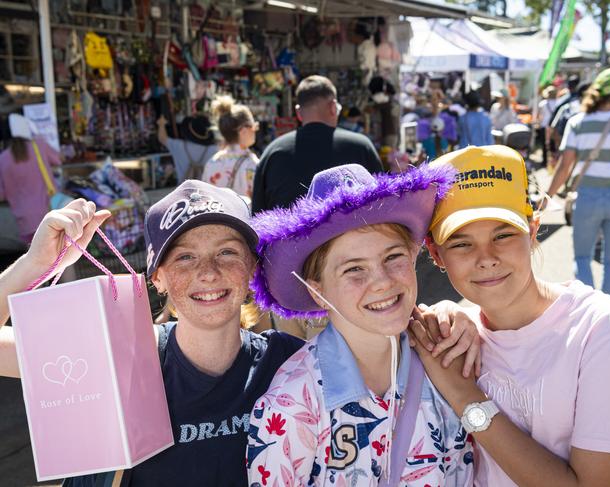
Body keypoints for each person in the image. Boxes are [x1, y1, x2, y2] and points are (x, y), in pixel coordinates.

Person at [0, 182, 476, 486]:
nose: (208, 272)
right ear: (157, 277)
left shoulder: (289, 366)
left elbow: (367, 323)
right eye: (184, 257)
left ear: (252, 269)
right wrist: (30, 267)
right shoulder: (118, 360)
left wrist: (441, 316)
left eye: (228, 252)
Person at [412, 144, 610, 486]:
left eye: (503, 235)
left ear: (533, 230)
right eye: (462, 243)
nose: (486, 257)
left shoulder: (603, 330)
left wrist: (465, 396)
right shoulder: (452, 336)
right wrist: (447, 312)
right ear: (436, 254)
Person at [247, 163, 474, 486]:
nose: (382, 282)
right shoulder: (291, 405)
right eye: (354, 269)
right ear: (318, 290)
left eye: (393, 257)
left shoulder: (447, 358)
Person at [546, 68, 610, 297]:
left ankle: (587, 310)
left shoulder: (577, 123)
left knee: (582, 257)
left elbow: (565, 167)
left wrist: (547, 197)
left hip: (588, 197)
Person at [251, 75, 383, 214]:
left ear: (298, 112)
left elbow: (258, 217)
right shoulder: (361, 147)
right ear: (333, 107)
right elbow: (382, 203)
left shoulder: (272, 152)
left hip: (288, 236)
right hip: (350, 235)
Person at [0, 113, 61, 244]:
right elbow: (58, 159)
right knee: (59, 256)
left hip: (24, 221)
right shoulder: (39, 146)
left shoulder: (2, 159)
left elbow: (2, 195)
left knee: (38, 258)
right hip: (48, 212)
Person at [201, 95, 259, 199]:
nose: (255, 130)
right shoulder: (251, 163)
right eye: (254, 126)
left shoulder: (212, 162)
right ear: (243, 131)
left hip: (218, 215)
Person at [157, 113, 219, 182]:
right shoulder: (214, 149)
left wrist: (161, 124)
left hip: (184, 190)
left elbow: (162, 138)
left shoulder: (179, 146)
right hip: (206, 190)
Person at [538, 85, 558, 167]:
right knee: (553, 145)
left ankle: (544, 161)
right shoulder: (559, 103)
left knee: (544, 145)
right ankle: (553, 162)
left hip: (544, 126)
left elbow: (540, 116)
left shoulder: (543, 104)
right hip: (554, 127)